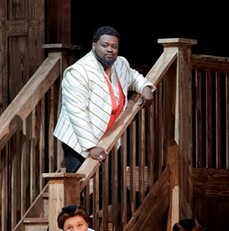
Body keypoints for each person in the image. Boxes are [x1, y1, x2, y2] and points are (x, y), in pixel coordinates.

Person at [53, 25, 155, 173]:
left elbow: (133, 77)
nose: (110, 50)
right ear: (94, 46)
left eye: (114, 46)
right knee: (78, 183)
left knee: (113, 183)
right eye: (105, 45)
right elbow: (77, 113)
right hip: (77, 139)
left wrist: (146, 87)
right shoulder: (78, 72)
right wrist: (90, 146)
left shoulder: (120, 63)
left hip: (107, 137)